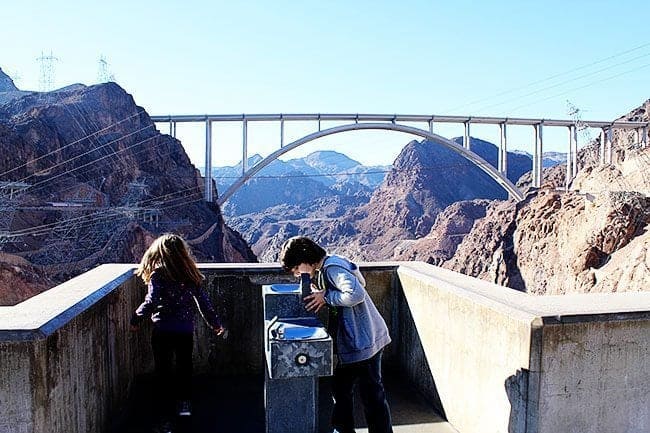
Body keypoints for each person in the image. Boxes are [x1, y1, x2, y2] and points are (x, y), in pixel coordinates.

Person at [279, 236, 393, 433]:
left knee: (370, 396)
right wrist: (319, 287)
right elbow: (357, 284)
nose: (297, 274)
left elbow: (355, 294)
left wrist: (327, 297)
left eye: (297, 268)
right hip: (362, 339)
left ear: (305, 259)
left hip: (362, 342)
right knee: (345, 390)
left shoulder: (332, 268)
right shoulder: (328, 268)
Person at [130, 233, 225, 427]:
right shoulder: (189, 274)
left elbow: (152, 300)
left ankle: (165, 417)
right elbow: (204, 304)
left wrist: (137, 317)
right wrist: (215, 324)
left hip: (162, 330)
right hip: (184, 331)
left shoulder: (158, 275)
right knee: (184, 368)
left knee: (163, 371)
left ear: (159, 253)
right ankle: (184, 406)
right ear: (182, 253)